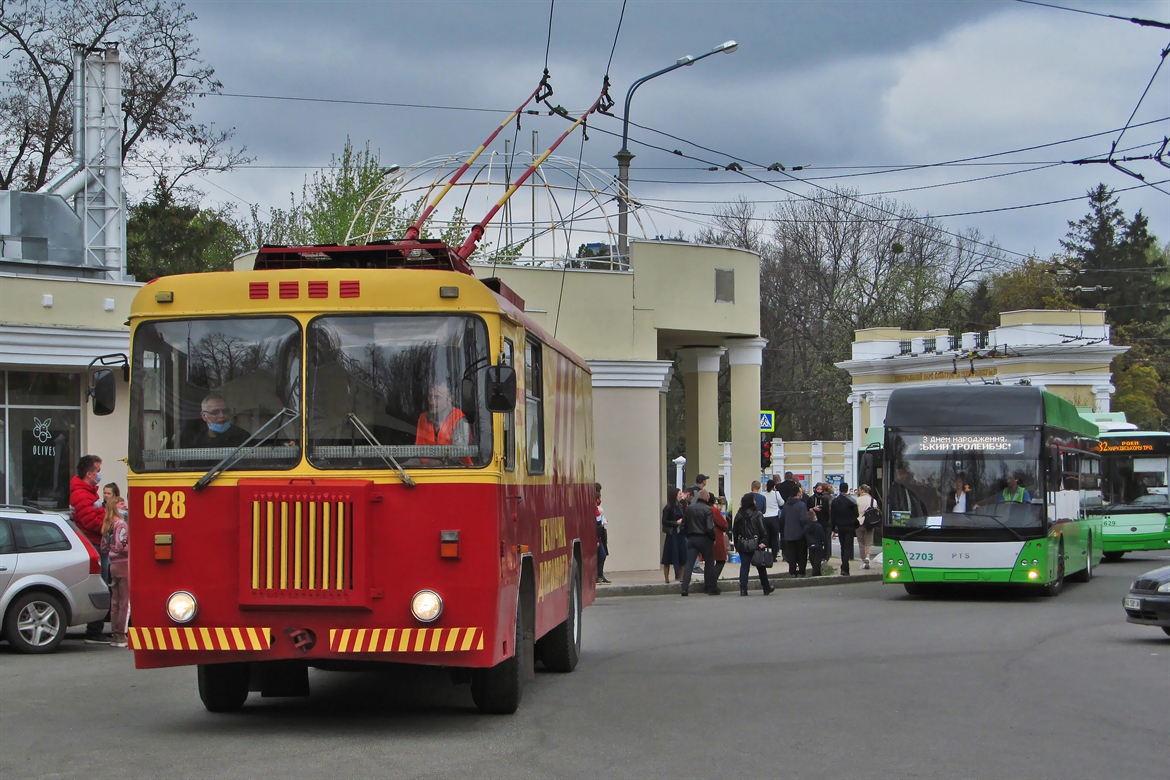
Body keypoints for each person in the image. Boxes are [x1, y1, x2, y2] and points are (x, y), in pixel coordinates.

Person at [70, 455, 108, 643]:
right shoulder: (82, 494)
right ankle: (94, 630)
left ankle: (96, 628)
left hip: (96, 543)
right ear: (89, 474)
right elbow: (90, 521)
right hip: (94, 544)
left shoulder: (89, 492)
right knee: (100, 586)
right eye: (98, 471)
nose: (99, 475)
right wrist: (109, 526)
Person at [100, 483, 130, 648]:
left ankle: (114, 633)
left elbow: (104, 547)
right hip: (124, 564)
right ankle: (122, 635)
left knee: (115, 601)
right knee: (125, 601)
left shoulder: (107, 524)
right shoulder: (121, 524)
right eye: (121, 503)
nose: (125, 505)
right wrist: (132, 548)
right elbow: (120, 545)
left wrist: (111, 552)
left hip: (112, 565)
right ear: (116, 507)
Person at [732, 493, 774, 596]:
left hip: (743, 544)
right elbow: (762, 529)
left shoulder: (739, 515)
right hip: (756, 544)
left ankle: (743, 589)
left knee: (744, 567)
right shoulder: (757, 514)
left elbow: (735, 531)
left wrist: (737, 544)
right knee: (761, 567)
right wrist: (764, 541)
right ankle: (766, 587)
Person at [680, 490, 719, 596]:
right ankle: (710, 587)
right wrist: (713, 538)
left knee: (689, 564)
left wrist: (688, 535)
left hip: (692, 538)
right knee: (709, 563)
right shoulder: (707, 509)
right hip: (705, 539)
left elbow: (683, 526)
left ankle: (684, 588)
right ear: (707, 498)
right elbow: (710, 527)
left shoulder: (689, 508)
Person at [415, 381, 471, 446]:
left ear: (450, 399)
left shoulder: (459, 421)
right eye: (430, 396)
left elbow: (460, 451)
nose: (432, 402)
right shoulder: (423, 418)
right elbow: (417, 449)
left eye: (437, 397)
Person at [830, 481, 860, 576]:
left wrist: (833, 529)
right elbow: (856, 514)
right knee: (848, 546)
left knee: (842, 546)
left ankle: (844, 565)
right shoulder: (851, 501)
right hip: (849, 526)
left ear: (839, 489)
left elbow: (832, 516)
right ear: (847, 490)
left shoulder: (835, 501)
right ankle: (845, 566)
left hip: (840, 526)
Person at [660, 489, 687, 583]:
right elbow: (664, 521)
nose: (681, 495)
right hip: (672, 533)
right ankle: (666, 579)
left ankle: (681, 577)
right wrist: (676, 522)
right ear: (674, 495)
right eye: (679, 493)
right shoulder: (668, 507)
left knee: (681, 556)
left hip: (680, 533)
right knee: (668, 556)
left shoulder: (680, 506)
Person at [781, 489, 810, 576]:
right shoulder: (801, 505)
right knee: (802, 553)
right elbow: (803, 519)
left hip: (788, 533)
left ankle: (792, 571)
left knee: (791, 554)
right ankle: (801, 571)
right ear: (798, 493)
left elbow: (782, 519)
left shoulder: (786, 505)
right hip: (800, 533)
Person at [806, 482, 832, 563]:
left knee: (825, 540)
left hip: (823, 521)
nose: (819, 491)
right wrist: (813, 509)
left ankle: (825, 556)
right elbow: (808, 509)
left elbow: (827, 512)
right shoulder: (811, 499)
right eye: (818, 489)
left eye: (821, 489)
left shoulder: (825, 499)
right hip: (813, 521)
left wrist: (827, 522)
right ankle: (813, 555)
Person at [856, 484, 879, 569]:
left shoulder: (857, 500)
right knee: (868, 542)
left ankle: (863, 561)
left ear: (862, 490)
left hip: (859, 523)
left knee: (861, 543)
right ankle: (867, 557)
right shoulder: (873, 500)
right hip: (869, 523)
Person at [762, 478, 783, 562]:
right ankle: (774, 556)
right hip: (774, 517)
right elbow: (782, 503)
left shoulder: (762, 494)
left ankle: (764, 554)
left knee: (765, 537)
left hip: (765, 517)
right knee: (774, 537)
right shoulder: (776, 494)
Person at [805, 508, 830, 576]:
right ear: (814, 517)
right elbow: (823, 536)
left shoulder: (806, 527)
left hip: (810, 545)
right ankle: (816, 573)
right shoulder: (818, 526)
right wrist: (825, 545)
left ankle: (816, 572)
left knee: (812, 559)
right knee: (817, 560)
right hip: (818, 545)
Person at [711, 496, 730, 582]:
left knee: (709, 562)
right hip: (716, 536)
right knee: (720, 560)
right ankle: (712, 581)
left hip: (704, 538)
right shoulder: (714, 510)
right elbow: (723, 524)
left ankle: (710, 581)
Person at [595, 483, 610, 584]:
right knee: (602, 554)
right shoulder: (597, 509)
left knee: (602, 554)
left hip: (600, 531)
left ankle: (600, 574)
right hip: (598, 533)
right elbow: (598, 522)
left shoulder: (598, 509)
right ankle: (599, 574)